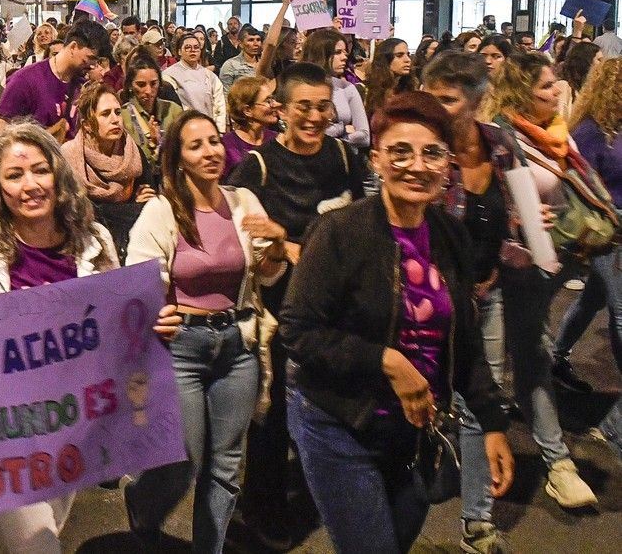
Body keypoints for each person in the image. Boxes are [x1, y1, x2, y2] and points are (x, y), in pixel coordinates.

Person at [281, 91, 514, 554]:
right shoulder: (340, 232)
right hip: (339, 424)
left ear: (448, 163)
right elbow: (297, 329)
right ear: (376, 161)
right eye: (400, 152)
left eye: (432, 153)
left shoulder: (450, 236)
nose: (417, 166)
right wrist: (386, 360)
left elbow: (463, 341)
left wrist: (491, 422)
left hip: (416, 432)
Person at [0, 123, 117, 553]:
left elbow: (111, 323)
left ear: (58, 175)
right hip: (4, 427)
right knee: (40, 546)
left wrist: (150, 324)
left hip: (72, 421)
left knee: (49, 528)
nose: (30, 185)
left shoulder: (94, 242)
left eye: (40, 171)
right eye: (14, 175)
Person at [124, 111, 287, 553]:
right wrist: (157, 314)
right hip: (182, 348)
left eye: (214, 141)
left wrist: (274, 244)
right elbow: (137, 283)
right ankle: (142, 502)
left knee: (227, 466)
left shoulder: (243, 202)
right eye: (196, 145)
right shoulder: (161, 212)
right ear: (178, 157)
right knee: (186, 456)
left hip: (239, 344)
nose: (211, 151)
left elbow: (267, 277)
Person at [227, 62, 367, 549]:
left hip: (340, 308)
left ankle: (321, 490)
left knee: (330, 402)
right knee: (276, 410)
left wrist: (294, 242)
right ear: (280, 110)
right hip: (282, 310)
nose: (313, 116)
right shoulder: (258, 167)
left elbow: (363, 226)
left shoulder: (347, 161)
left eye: (322, 106)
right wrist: (285, 249)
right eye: (302, 107)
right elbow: (239, 239)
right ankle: (262, 506)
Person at [481, 51, 599, 508]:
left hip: (536, 264)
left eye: (555, 84)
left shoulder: (555, 135)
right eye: (546, 87)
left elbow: (563, 193)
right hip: (493, 267)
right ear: (520, 93)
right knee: (488, 367)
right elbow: (476, 197)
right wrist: (513, 215)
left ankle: (557, 463)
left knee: (532, 354)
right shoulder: (498, 135)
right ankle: (477, 474)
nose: (557, 92)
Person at [419, 50, 522, 551]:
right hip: (433, 299)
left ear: (478, 100)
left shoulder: (501, 146)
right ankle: (429, 471)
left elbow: (518, 216)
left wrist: (530, 232)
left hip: (489, 292)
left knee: (484, 395)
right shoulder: (426, 153)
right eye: (431, 97)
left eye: (449, 100)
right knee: (433, 393)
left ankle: (477, 517)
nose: (438, 109)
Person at [554, 58, 622, 401]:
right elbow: (586, 188)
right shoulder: (590, 132)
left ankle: (558, 356)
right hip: (608, 231)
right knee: (620, 311)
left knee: (593, 299)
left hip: (615, 229)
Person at [61, 83, 155, 260]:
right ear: (87, 125)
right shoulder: (70, 157)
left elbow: (150, 204)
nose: (115, 119)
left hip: (135, 243)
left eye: (118, 112)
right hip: (87, 247)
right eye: (106, 114)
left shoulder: (133, 151)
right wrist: (132, 207)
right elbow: (78, 213)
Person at [0, 18, 109, 142]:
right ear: (73, 47)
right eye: (90, 58)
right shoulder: (25, 80)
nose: (92, 65)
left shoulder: (82, 85)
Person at [303, 28, 370, 148]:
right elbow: (303, 133)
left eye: (345, 52)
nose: (344, 57)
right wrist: (342, 129)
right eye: (338, 52)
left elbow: (364, 137)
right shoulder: (301, 87)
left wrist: (330, 134)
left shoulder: (347, 88)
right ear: (321, 54)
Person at [123, 48, 182, 183]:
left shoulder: (173, 110)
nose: (148, 91)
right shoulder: (123, 116)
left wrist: (160, 143)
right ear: (130, 86)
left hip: (172, 181)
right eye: (141, 85)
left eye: (153, 83)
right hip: (139, 183)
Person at [162, 32, 226, 129]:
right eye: (188, 47)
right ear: (179, 51)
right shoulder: (169, 75)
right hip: (183, 127)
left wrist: (219, 130)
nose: (193, 50)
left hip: (208, 126)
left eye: (196, 47)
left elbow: (219, 104)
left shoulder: (209, 75)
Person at [221, 76, 279, 176]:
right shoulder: (227, 146)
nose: (274, 105)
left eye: (272, 99)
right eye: (267, 101)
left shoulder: (277, 140)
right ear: (248, 111)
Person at [364, 37, 415, 116]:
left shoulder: (411, 91)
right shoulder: (366, 91)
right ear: (385, 59)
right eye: (399, 55)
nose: (407, 59)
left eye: (408, 54)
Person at [218, 25, 262, 91]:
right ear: (241, 44)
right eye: (251, 40)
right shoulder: (230, 65)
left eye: (258, 40)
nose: (256, 44)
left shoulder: (264, 64)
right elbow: (225, 93)